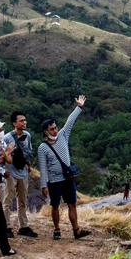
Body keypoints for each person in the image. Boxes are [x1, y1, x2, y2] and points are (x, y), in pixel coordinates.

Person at [38, 95, 90, 240]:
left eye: (55, 128)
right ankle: (56, 229)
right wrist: (43, 185)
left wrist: (79, 107)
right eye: (52, 129)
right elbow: (43, 168)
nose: (55, 131)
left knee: (72, 204)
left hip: (67, 178)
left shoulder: (63, 135)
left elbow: (70, 121)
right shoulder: (43, 147)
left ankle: (76, 230)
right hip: (54, 181)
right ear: (45, 132)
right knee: (55, 206)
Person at [3, 111, 38, 238]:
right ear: (14, 123)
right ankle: (6, 226)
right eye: (21, 121)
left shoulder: (27, 135)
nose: (24, 123)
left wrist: (28, 166)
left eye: (25, 120)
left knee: (22, 200)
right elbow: (3, 156)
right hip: (11, 172)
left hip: (22, 171)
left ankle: (23, 226)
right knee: (7, 200)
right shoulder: (7, 138)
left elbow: (28, 152)